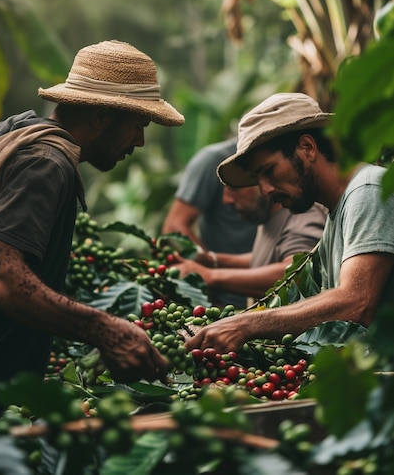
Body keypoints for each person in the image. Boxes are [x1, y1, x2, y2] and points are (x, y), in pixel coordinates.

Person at [0, 39, 185, 425]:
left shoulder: (9, 135)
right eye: (138, 125)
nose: (139, 141)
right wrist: (104, 329)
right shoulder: (46, 162)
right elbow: (0, 277)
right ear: (101, 117)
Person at [184, 92, 394, 354]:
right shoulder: (336, 213)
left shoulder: (368, 190)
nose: (264, 189)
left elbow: (356, 302)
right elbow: (322, 312)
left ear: (307, 148)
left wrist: (246, 324)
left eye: (268, 170)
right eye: (257, 177)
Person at [174, 184, 326, 301]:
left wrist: (209, 276)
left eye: (234, 188)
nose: (226, 199)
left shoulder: (301, 215)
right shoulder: (270, 218)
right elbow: (267, 258)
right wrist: (212, 260)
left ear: (262, 182)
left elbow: (295, 273)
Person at [162, 138, 257, 308]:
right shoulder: (213, 160)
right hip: (222, 299)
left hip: (267, 293)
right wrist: (205, 268)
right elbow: (175, 226)